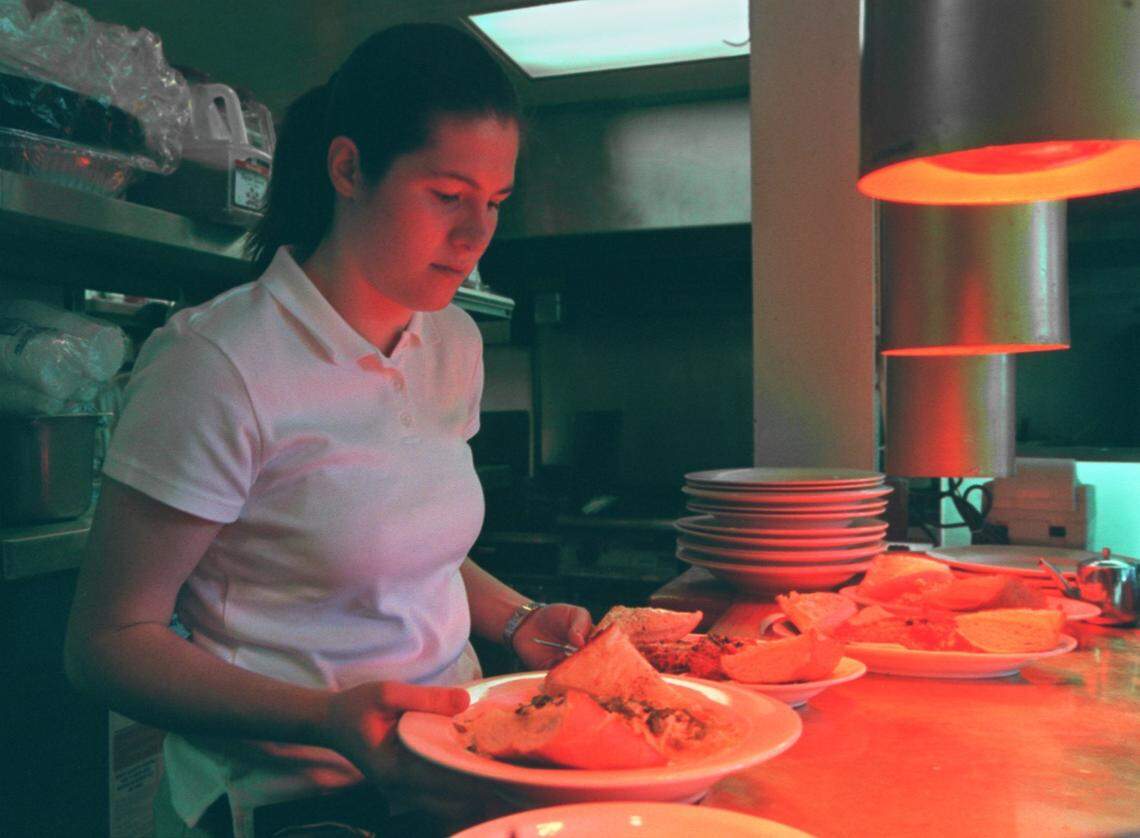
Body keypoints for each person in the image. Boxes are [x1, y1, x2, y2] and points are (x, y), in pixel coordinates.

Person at [64, 23, 593, 838]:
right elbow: (108, 642)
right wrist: (323, 717)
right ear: (349, 168)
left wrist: (519, 619)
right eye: (448, 196)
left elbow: (412, 552)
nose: (477, 235)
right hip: (288, 804)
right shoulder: (217, 362)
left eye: (494, 203)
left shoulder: (449, 339)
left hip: (452, 772)